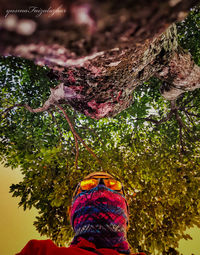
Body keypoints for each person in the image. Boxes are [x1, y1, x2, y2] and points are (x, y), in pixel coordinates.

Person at [16, 172, 146, 255]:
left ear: (128, 214)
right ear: (70, 211)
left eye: (112, 184)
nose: (101, 187)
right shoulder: (39, 252)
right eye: (89, 184)